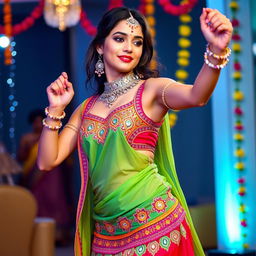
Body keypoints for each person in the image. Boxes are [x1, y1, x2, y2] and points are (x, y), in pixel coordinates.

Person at [37, 6, 232, 256]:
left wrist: (216, 49)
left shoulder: (151, 91)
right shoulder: (85, 109)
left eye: (137, 42)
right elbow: (46, 161)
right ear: (100, 46)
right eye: (119, 39)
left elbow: (197, 96)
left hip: (157, 226)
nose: (129, 47)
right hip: (106, 238)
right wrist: (55, 109)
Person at [18, 109, 73, 245]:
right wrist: (29, 145)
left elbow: (64, 155)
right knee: (38, 203)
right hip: (34, 176)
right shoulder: (27, 138)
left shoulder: (52, 136)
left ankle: (58, 236)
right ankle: (38, 236)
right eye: (35, 122)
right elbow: (21, 157)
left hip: (53, 176)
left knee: (55, 202)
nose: (37, 124)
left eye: (39, 121)